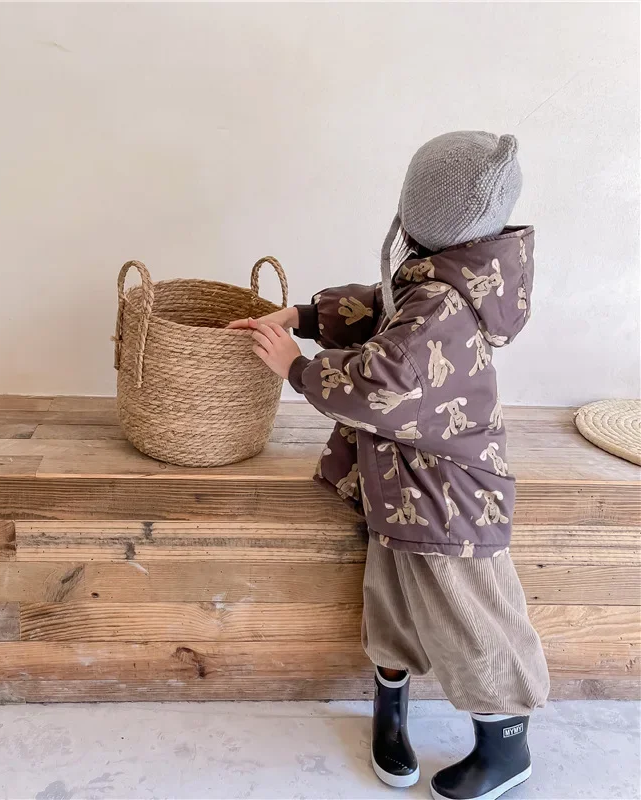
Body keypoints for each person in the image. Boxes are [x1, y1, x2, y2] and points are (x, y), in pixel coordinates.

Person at [228, 131, 550, 800]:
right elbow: (384, 308)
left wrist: (297, 367)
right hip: (403, 489)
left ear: (424, 213)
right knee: (392, 599)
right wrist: (306, 316)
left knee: (471, 617)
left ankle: (505, 744)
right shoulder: (445, 273)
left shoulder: (445, 307)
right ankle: (391, 707)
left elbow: (383, 384)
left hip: (448, 499)